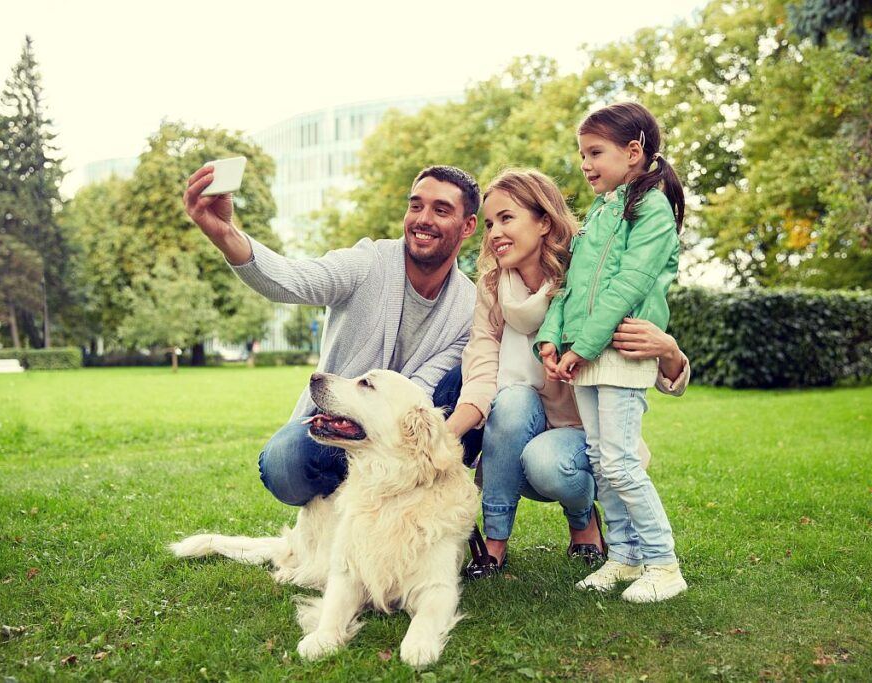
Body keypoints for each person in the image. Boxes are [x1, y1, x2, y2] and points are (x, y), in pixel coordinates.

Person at [183, 164, 482, 505]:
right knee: (282, 463)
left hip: (401, 440)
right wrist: (226, 234)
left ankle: (412, 503)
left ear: (468, 225)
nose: (423, 219)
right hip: (334, 424)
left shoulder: (468, 307)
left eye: (440, 210)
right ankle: (351, 513)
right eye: (416, 206)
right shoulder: (368, 262)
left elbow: (421, 392)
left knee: (470, 376)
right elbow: (292, 279)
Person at [444, 169, 690, 579]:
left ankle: (585, 524)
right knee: (512, 399)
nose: (494, 233)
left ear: (544, 222)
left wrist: (669, 350)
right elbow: (483, 367)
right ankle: (494, 546)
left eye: (507, 218)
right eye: (489, 223)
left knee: (547, 461)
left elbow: (639, 361)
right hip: (518, 431)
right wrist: (445, 436)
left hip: (583, 438)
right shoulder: (492, 288)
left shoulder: (586, 276)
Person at [534, 102, 688, 603]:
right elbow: (569, 287)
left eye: (595, 152)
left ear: (633, 152)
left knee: (621, 463)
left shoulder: (650, 209)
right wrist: (552, 339)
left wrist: (583, 346)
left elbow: (627, 287)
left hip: (620, 349)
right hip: (589, 352)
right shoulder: (599, 212)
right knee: (602, 463)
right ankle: (623, 557)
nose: (585, 164)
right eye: (582, 154)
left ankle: (663, 564)